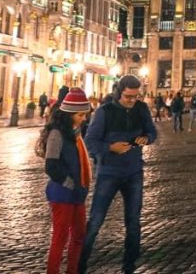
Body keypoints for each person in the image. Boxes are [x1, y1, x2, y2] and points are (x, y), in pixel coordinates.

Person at [78, 75, 157, 274]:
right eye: (128, 97)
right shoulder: (105, 112)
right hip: (109, 173)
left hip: (133, 172)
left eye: (135, 96)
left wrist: (146, 138)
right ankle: (79, 264)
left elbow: (152, 132)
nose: (132, 101)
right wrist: (110, 147)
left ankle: (129, 265)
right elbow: (90, 142)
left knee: (133, 221)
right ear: (119, 92)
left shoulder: (141, 109)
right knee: (96, 220)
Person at [41, 87, 92, 274]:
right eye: (80, 115)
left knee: (79, 235)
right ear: (69, 114)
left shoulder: (75, 133)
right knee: (60, 237)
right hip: (62, 193)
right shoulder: (57, 134)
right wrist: (69, 182)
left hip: (77, 193)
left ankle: (72, 270)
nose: (84, 118)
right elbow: (51, 166)